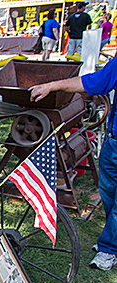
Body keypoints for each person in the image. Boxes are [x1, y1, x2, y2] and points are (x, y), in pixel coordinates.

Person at [29, 57, 117, 270]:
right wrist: (51, 86)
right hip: (113, 141)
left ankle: (109, 249)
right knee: (108, 191)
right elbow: (92, 83)